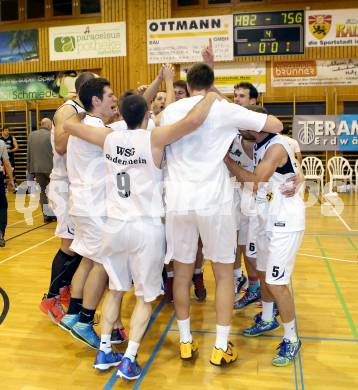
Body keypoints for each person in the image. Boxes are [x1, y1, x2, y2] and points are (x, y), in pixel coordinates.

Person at [64, 92, 220, 380]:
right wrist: (209, 95)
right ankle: (129, 358)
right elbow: (194, 120)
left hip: (114, 226)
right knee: (145, 298)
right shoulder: (154, 138)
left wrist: (74, 103)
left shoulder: (107, 137)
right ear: (147, 115)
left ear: (120, 114)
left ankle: (104, 350)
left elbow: (71, 126)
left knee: (116, 290)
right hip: (145, 227)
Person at [161, 63, 283, 366]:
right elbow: (277, 125)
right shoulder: (223, 107)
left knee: (182, 273)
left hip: (177, 201)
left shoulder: (170, 112)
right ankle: (220, 346)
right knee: (224, 273)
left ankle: (186, 342)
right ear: (212, 84)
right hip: (213, 201)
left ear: (187, 86)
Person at [224, 105, 305, 367]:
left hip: (284, 223)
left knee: (277, 283)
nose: (238, 128)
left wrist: (227, 161)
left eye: (242, 123)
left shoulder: (276, 147)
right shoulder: (258, 144)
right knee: (263, 273)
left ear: (256, 127)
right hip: (266, 220)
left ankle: (292, 338)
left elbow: (255, 181)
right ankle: (268, 318)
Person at [59, 77, 126, 350]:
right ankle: (86, 321)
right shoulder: (97, 130)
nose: (114, 99)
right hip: (95, 207)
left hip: (82, 205)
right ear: (96, 100)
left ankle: (73, 312)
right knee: (104, 264)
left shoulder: (83, 126)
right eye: (110, 95)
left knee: (87, 259)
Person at [39, 72, 95, 324]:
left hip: (78, 187)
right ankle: (50, 298)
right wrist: (80, 119)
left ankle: (63, 291)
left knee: (80, 246)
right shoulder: (68, 109)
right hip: (64, 186)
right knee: (69, 245)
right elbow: (61, 145)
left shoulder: (82, 110)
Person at [27, 118, 55, 223]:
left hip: (37, 168)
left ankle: (47, 215)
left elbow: (29, 152)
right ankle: (56, 214)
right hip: (52, 169)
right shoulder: (51, 135)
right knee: (55, 191)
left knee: (42, 192)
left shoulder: (31, 135)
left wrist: (30, 169)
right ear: (48, 125)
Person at [0, 139, 15, 246]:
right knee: (1, 206)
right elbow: (6, 162)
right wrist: (11, 180)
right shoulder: (1, 143)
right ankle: (0, 234)